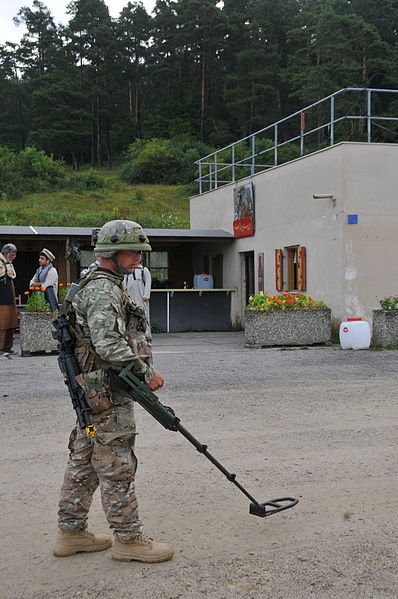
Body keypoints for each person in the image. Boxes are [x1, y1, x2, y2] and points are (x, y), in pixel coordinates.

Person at [54, 219, 174, 563]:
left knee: (86, 458)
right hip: (108, 391)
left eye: (140, 252)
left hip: (93, 393)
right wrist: (146, 371)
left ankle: (71, 532)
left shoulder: (94, 283)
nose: (138, 258)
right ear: (111, 252)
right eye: (132, 251)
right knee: (116, 461)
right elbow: (108, 344)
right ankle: (129, 540)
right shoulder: (103, 289)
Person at [0, 243, 18, 355]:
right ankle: (0, 347)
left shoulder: (9, 263)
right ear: (6, 253)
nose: (14, 257)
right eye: (12, 254)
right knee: (2, 323)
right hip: (1, 298)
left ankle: (7, 346)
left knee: (10, 323)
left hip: (9, 297)